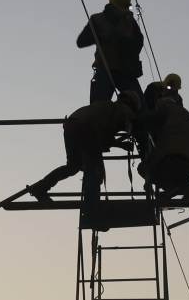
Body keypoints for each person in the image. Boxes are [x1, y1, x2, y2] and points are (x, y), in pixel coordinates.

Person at [29, 91, 142, 219]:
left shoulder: (106, 107)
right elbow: (107, 134)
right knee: (95, 171)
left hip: (72, 125)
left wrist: (119, 144)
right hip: (86, 128)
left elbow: (104, 133)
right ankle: (91, 209)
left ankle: (40, 187)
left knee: (72, 166)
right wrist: (123, 142)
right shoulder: (123, 109)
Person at [138, 76, 189, 200]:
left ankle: (175, 187)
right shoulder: (182, 112)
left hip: (173, 159)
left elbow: (148, 119)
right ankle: (183, 186)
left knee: (145, 169)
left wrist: (136, 120)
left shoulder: (163, 105)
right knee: (169, 171)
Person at [77, 0, 144, 104]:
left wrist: (101, 36)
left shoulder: (98, 19)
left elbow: (81, 41)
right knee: (141, 108)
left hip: (105, 70)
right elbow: (138, 43)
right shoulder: (130, 22)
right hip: (125, 72)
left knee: (98, 109)